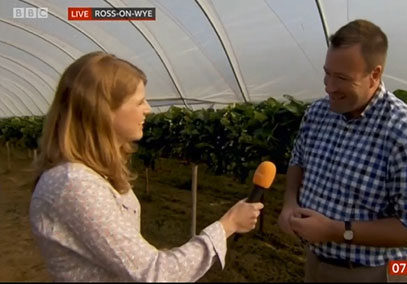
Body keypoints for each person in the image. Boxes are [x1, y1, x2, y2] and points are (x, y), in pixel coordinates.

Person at [29, 51, 264, 282]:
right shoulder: (75, 185)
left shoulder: (91, 175)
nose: (148, 109)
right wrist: (228, 225)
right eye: (139, 101)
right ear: (102, 111)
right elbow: (155, 274)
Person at [277, 19, 407, 282]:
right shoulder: (318, 113)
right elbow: (298, 160)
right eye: (327, 73)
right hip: (315, 262)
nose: (329, 86)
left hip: (376, 273)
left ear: (374, 75)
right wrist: (289, 203)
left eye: (342, 78)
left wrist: (336, 231)